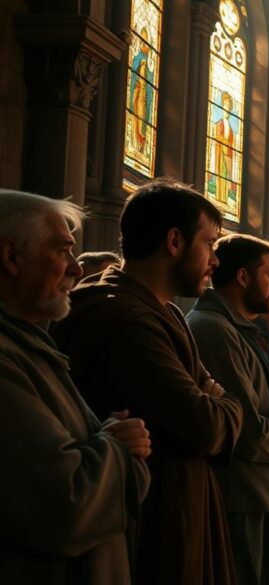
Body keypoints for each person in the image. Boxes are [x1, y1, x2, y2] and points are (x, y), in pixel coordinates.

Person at [51, 178, 243, 585]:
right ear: (174, 241)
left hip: (183, 506)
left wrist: (215, 401)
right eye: (209, 244)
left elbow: (210, 406)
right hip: (157, 525)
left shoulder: (164, 312)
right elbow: (207, 426)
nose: (215, 260)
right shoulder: (126, 318)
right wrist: (221, 403)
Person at [0, 190, 151, 584]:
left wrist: (105, 439)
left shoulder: (31, 344)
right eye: (62, 251)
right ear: (11, 257)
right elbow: (66, 503)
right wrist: (118, 446)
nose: (76, 268)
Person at [187, 235, 269, 585]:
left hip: (260, 491)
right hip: (239, 494)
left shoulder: (239, 328)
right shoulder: (213, 330)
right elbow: (244, 429)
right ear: (243, 277)